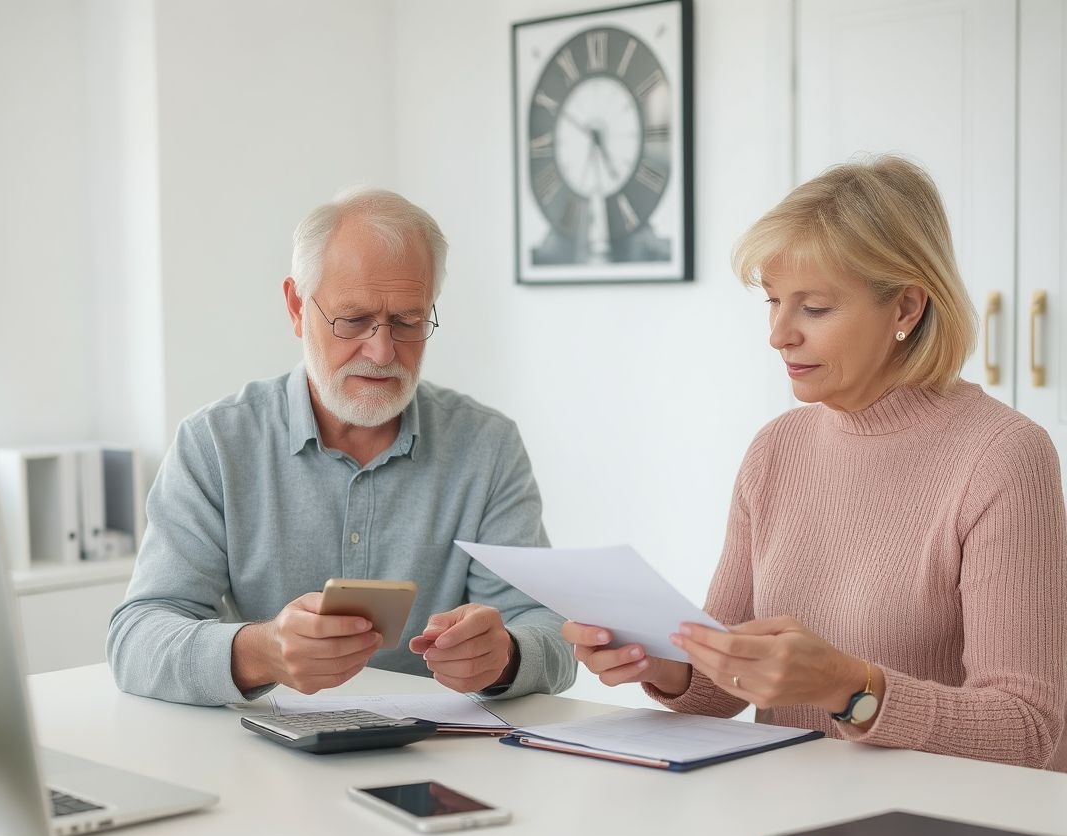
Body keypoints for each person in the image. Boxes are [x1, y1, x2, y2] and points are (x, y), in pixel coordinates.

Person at [564, 156, 1067, 770]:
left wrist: (849, 689)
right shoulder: (776, 449)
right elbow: (723, 683)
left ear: (906, 309)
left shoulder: (1002, 456)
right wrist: (662, 664)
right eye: (774, 301)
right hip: (789, 801)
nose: (779, 334)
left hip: (938, 815)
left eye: (816, 308)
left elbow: (1027, 729)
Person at [109, 188, 574, 706]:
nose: (382, 351)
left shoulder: (487, 446)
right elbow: (136, 639)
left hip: (436, 742)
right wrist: (262, 650)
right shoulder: (216, 443)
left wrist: (504, 655)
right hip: (264, 740)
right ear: (296, 307)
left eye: (408, 321)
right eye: (353, 320)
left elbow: (550, 632)